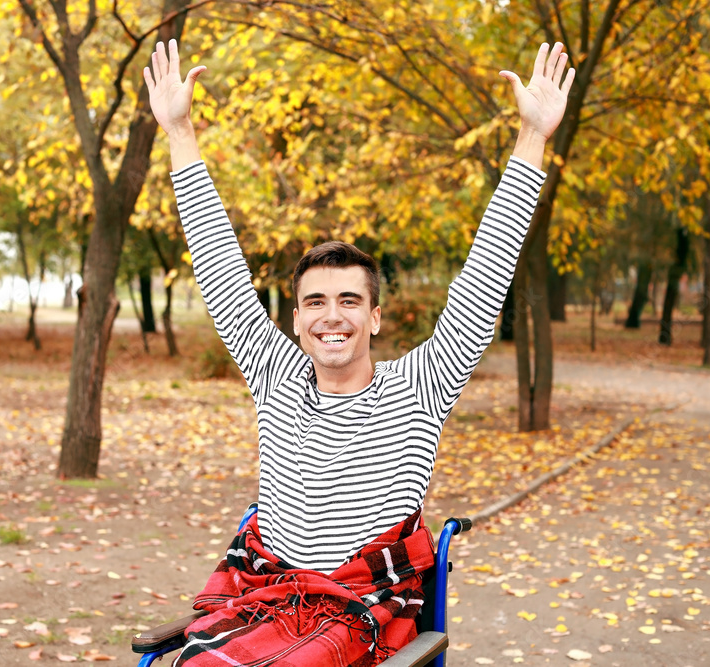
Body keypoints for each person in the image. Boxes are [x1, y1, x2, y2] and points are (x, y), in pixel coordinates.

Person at [144, 40, 574, 666]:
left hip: (361, 607)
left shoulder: (422, 384)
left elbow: (486, 272)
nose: (332, 316)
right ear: (296, 320)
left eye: (349, 300)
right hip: (270, 595)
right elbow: (220, 269)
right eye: (315, 302)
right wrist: (179, 131)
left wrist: (532, 138)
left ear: (374, 317)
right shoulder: (275, 375)